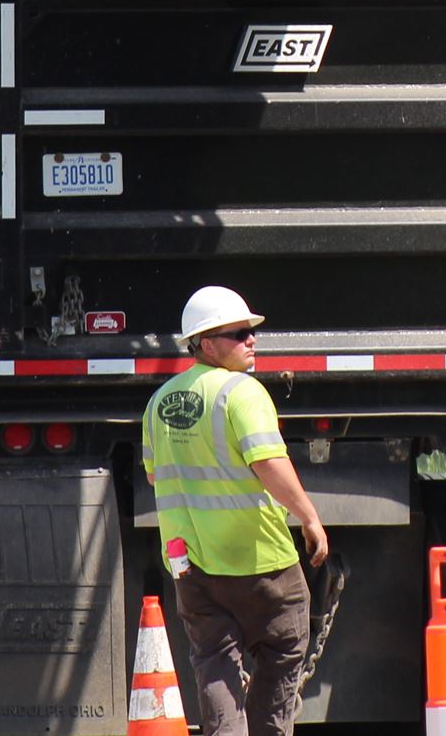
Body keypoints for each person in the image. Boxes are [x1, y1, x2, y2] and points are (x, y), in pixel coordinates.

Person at [142, 285, 331, 736]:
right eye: (239, 333)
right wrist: (309, 517)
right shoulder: (241, 393)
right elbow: (269, 462)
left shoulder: (159, 402)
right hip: (261, 562)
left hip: (192, 566)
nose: (252, 340)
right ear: (206, 344)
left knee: (213, 666)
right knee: (285, 647)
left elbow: (154, 475)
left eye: (251, 332)